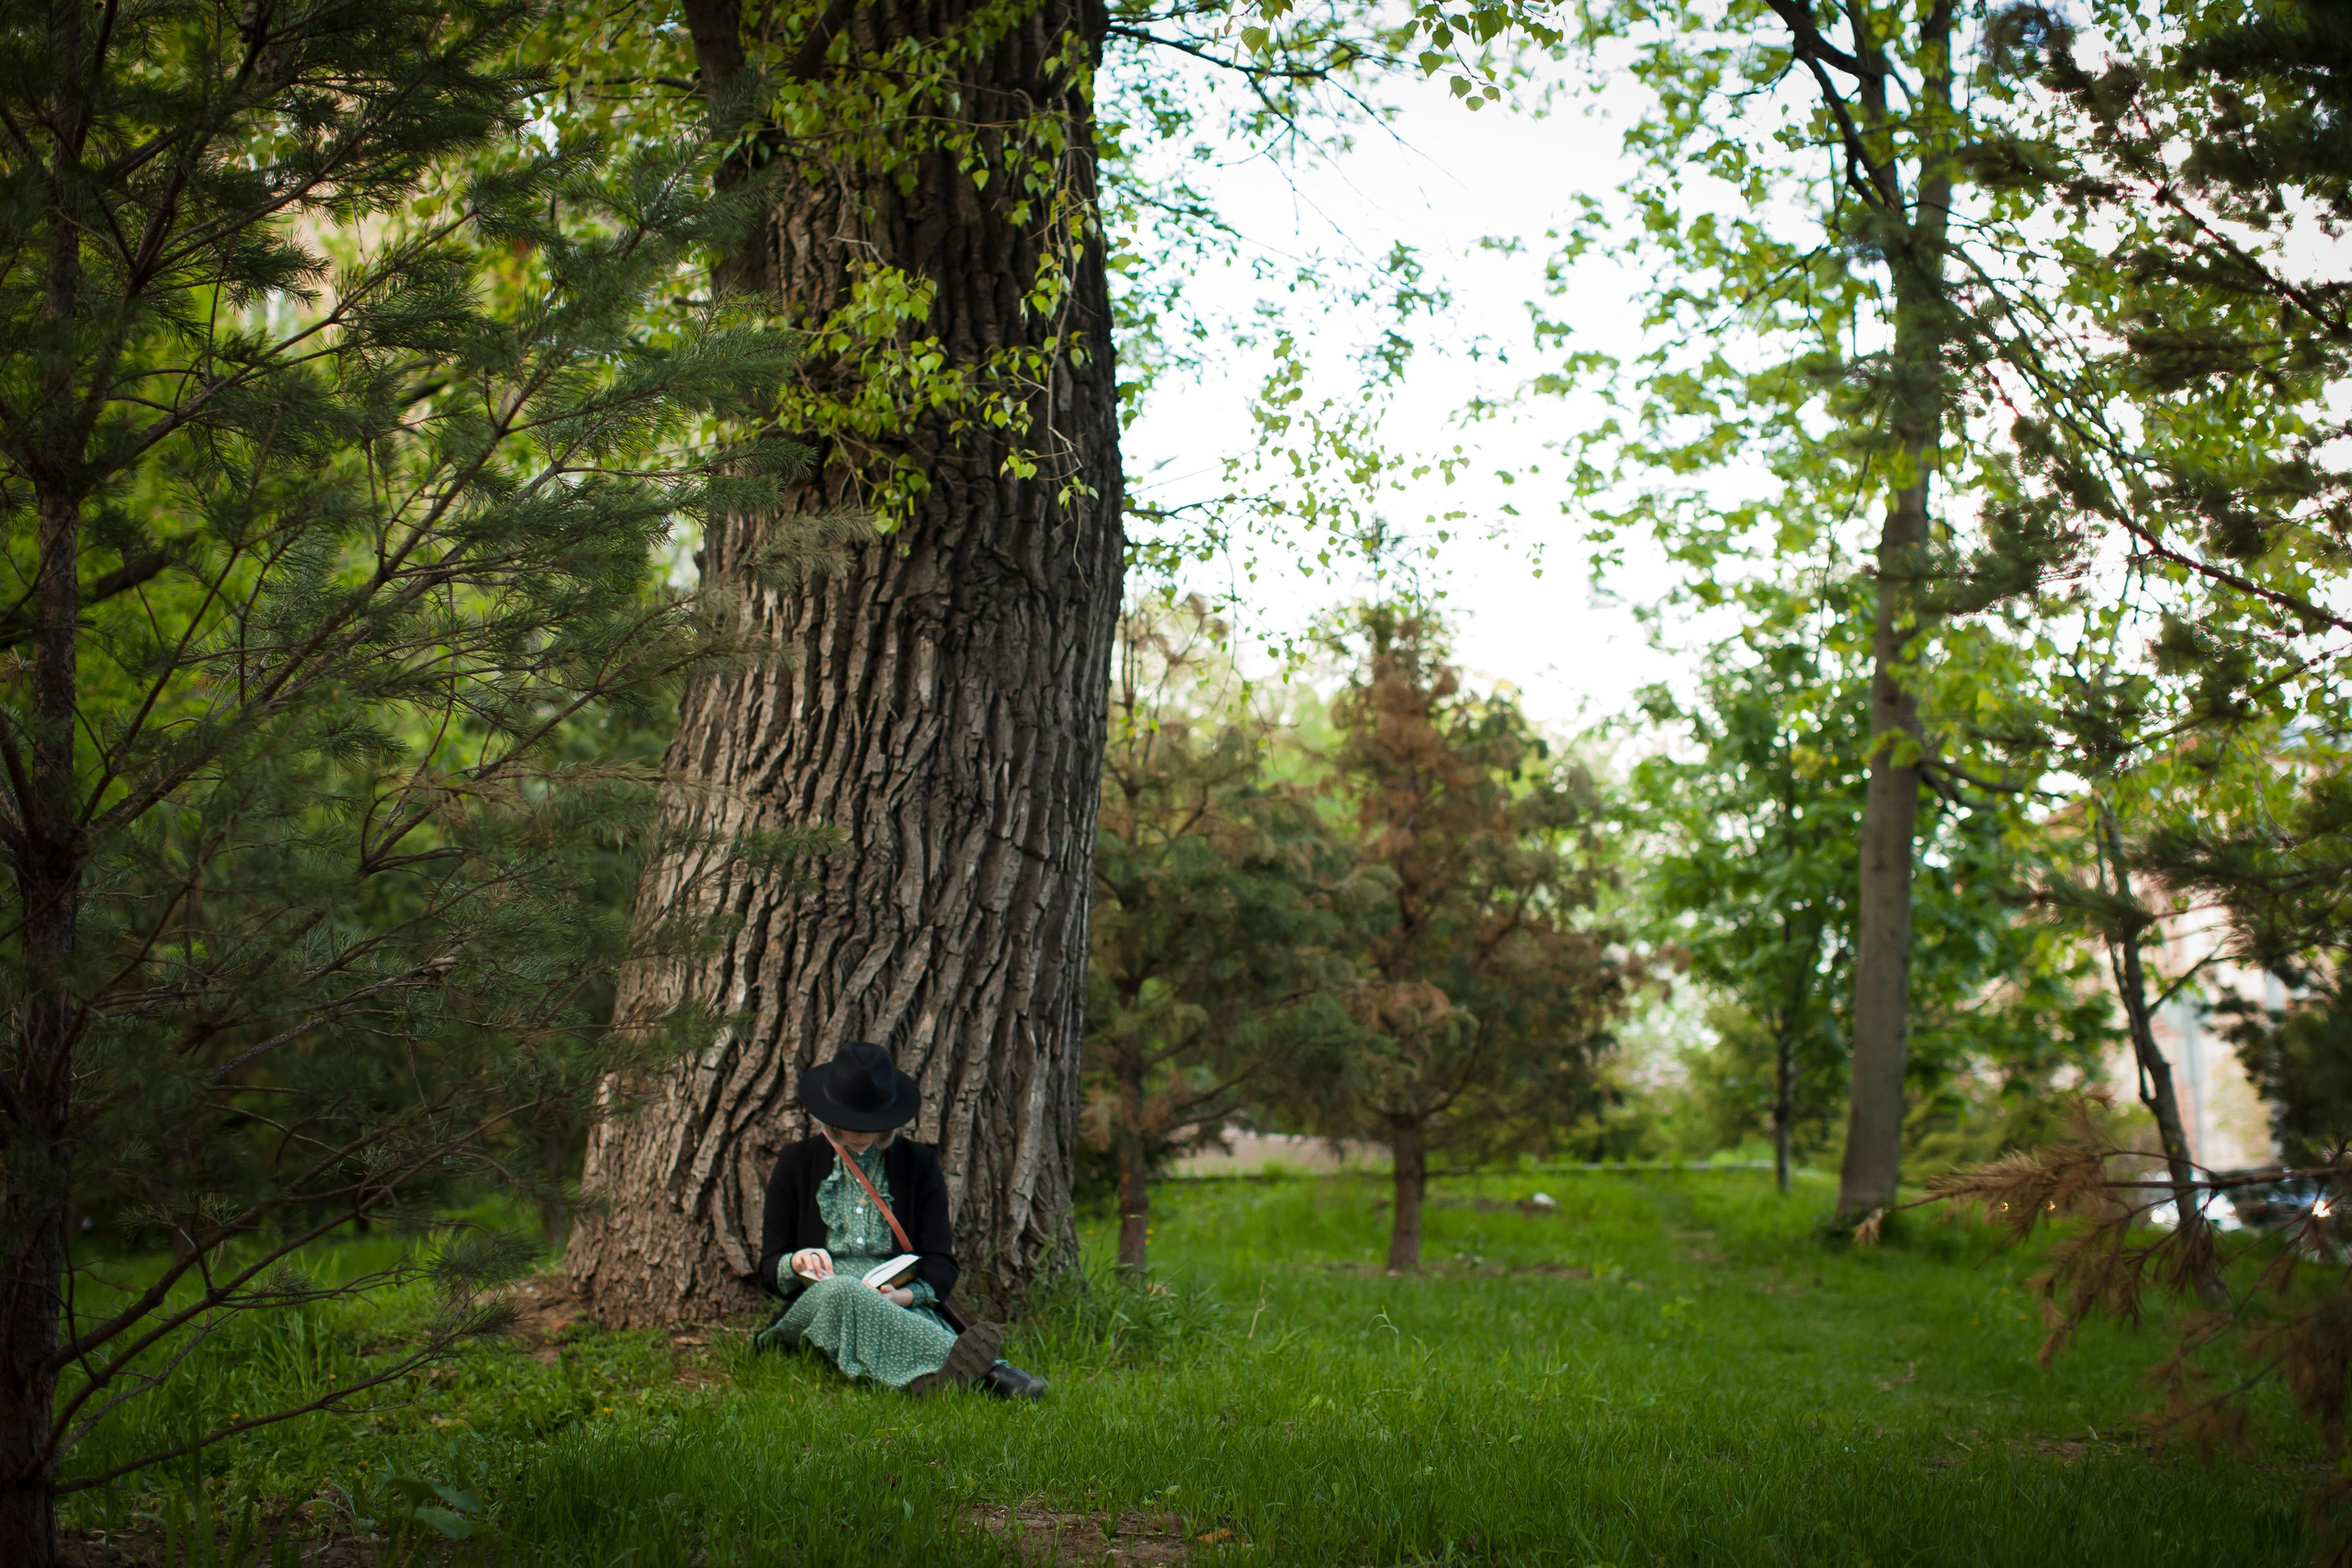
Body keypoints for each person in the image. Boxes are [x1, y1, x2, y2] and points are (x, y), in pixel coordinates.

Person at [754, 1041, 1047, 1398]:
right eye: (849, 1122)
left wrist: (905, 1297)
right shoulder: (796, 1162)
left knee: (901, 1319)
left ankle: (926, 1386)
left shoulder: (919, 1164)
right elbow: (769, 1267)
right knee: (844, 1290)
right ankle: (997, 1376)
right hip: (821, 1302)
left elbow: (940, 1261)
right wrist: (796, 1262)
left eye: (870, 1122)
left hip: (890, 1300)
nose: (859, 1131)